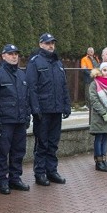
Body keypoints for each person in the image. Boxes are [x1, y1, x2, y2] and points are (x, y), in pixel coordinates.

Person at [27, 33, 71, 185]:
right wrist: (35, 108)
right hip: (43, 111)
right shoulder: (35, 62)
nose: (51, 46)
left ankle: (52, 171)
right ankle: (40, 173)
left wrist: (66, 105)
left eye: (52, 43)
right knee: (42, 143)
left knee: (53, 142)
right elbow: (31, 88)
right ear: (41, 45)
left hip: (56, 109)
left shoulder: (58, 63)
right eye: (47, 43)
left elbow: (64, 86)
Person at [0, 44, 31, 194]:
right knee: (3, 152)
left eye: (16, 54)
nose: (14, 56)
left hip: (20, 121)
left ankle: (15, 178)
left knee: (18, 151)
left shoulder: (21, 74)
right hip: (6, 121)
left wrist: (27, 116)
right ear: (3, 56)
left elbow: (26, 98)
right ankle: (2, 180)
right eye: (11, 54)